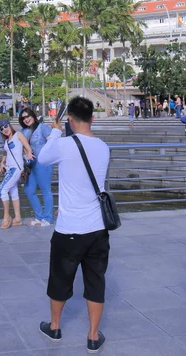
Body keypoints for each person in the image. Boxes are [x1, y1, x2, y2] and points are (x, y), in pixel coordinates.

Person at [38, 96, 110, 354]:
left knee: (60, 278)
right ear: (92, 118)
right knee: (95, 281)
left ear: (70, 120)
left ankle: (55, 327)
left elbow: (42, 158)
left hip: (69, 228)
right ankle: (92, 336)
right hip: (97, 228)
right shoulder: (103, 146)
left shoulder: (64, 144)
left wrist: (55, 133)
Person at [19, 108, 53, 227]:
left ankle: (48, 218)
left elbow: (52, 143)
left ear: (33, 116)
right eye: (23, 118)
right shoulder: (23, 131)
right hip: (30, 165)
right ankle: (39, 216)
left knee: (45, 190)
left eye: (28, 116)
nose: (26, 119)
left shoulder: (42, 128)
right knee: (29, 190)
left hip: (43, 163)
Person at [0, 120, 34, 229]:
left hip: (16, 168)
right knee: (13, 192)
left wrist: (29, 153)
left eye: (6, 126)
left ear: (10, 125)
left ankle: (6, 217)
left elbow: (26, 145)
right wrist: (1, 163)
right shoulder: (7, 141)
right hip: (9, 169)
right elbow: (6, 152)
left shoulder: (18, 135)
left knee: (2, 190)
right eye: (2, 129)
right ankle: (17, 218)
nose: (5, 129)